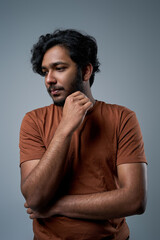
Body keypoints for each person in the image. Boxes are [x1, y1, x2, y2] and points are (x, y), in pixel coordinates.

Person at [19, 29, 147, 240]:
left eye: (59, 68)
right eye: (45, 72)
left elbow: (135, 200)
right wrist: (65, 128)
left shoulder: (123, 118)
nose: (49, 79)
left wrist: (57, 206)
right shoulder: (33, 121)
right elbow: (34, 197)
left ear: (86, 71)